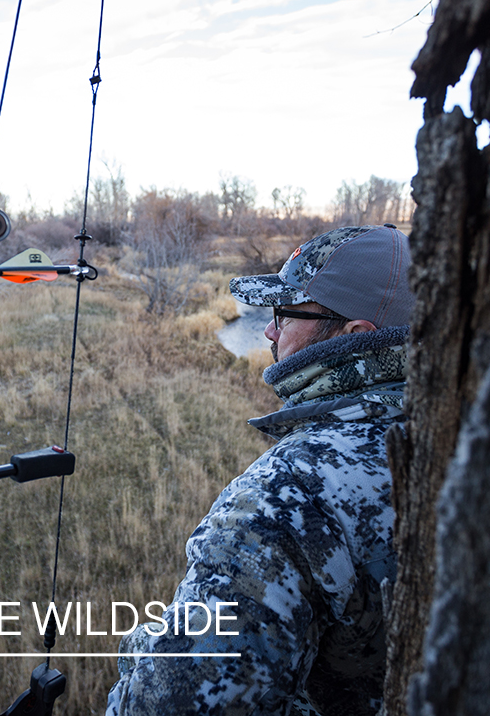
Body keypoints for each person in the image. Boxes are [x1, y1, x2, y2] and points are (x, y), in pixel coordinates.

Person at [106, 224, 413, 716]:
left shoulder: (287, 494)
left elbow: (162, 706)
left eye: (284, 314)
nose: (268, 331)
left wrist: (141, 648)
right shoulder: (471, 442)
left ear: (356, 337)